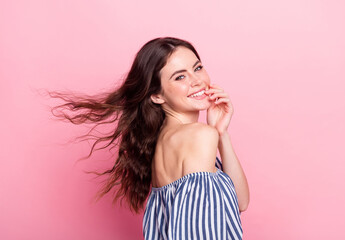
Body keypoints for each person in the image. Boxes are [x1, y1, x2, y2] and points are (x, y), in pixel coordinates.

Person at [50, 37, 249, 239]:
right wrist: (211, 133)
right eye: (180, 77)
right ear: (157, 96)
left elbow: (240, 202)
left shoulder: (164, 142)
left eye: (197, 68)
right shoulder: (198, 136)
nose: (197, 81)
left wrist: (221, 133)